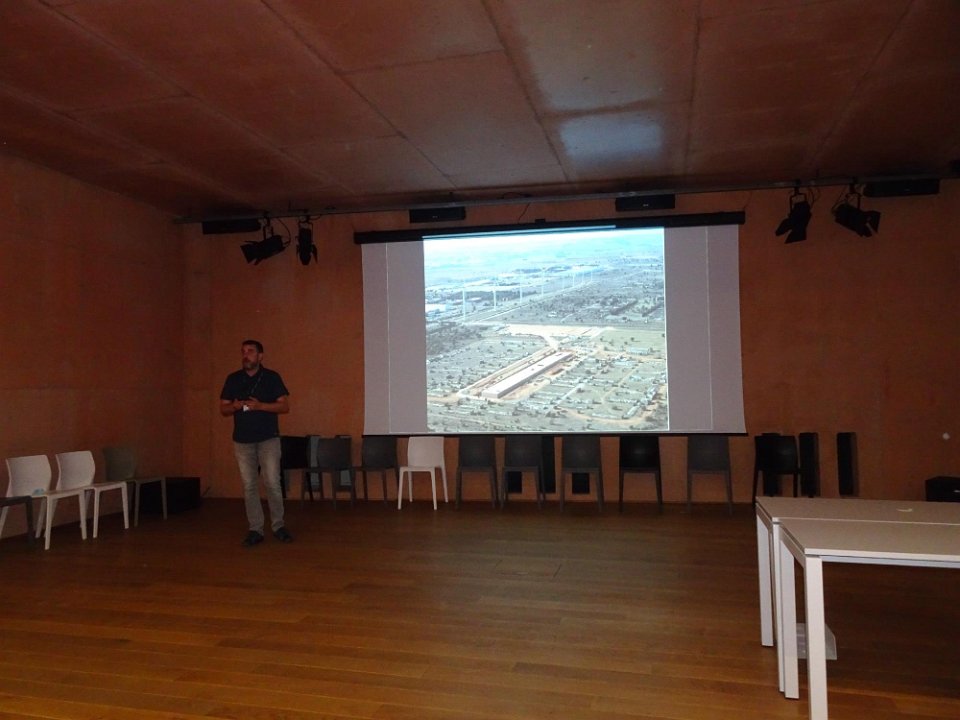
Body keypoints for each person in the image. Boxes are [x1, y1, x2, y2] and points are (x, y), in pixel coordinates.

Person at [220, 339, 293, 546]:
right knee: (249, 485)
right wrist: (235, 407)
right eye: (243, 351)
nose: (246, 355)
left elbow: (284, 406)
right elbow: (223, 409)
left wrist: (261, 406)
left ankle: (278, 525)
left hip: (268, 438)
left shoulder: (271, 377)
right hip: (242, 441)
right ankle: (255, 529)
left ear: (260, 356)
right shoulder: (233, 379)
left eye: (251, 351)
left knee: (272, 483)